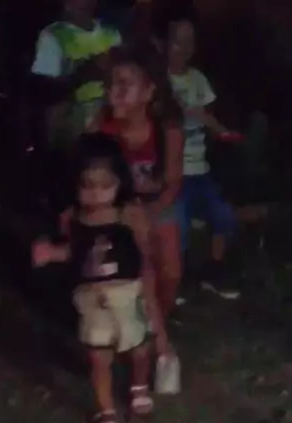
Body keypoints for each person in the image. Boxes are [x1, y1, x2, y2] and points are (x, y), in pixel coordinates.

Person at [32, 132, 169, 423]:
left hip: (127, 295)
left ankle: (138, 387)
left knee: (139, 349)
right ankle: (105, 409)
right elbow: (74, 253)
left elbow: (145, 258)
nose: (96, 194)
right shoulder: (73, 218)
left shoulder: (129, 215)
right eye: (87, 186)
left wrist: (152, 305)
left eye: (105, 185)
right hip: (92, 300)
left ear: (120, 182)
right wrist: (51, 253)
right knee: (98, 356)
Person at [92, 44, 183, 318]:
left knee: (170, 271)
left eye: (124, 84)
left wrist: (151, 212)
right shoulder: (102, 129)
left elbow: (172, 183)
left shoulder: (167, 130)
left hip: (157, 203)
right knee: (133, 263)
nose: (114, 92)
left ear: (149, 91)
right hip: (113, 207)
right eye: (111, 84)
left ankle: (156, 322)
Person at [166, 17, 240, 300]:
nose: (184, 49)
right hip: (174, 169)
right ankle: (179, 277)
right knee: (180, 224)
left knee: (224, 216)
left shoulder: (198, 78)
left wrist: (224, 133)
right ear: (165, 43)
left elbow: (208, 116)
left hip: (201, 167)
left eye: (190, 42)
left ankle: (214, 272)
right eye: (178, 41)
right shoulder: (157, 80)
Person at [30, 0, 122, 152]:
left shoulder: (111, 32)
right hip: (74, 119)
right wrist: (84, 73)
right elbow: (44, 92)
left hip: (111, 113)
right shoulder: (54, 36)